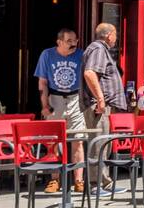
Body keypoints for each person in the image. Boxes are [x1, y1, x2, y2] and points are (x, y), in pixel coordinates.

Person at [36, 28, 86, 194]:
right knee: (53, 141)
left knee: (78, 139)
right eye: (69, 41)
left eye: (75, 40)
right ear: (59, 42)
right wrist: (44, 105)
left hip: (75, 99)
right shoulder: (47, 55)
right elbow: (42, 82)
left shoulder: (81, 55)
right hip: (55, 98)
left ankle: (79, 180)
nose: (73, 44)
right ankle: (54, 179)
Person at [81, 22, 127, 187]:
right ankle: (98, 183)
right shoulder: (99, 49)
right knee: (99, 143)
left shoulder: (97, 49)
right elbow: (90, 73)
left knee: (100, 143)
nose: (116, 38)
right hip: (99, 106)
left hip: (100, 105)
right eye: (115, 34)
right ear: (109, 35)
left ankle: (100, 182)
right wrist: (101, 99)